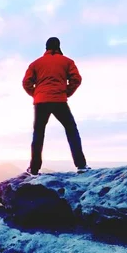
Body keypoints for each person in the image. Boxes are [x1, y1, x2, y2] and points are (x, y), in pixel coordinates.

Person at [22, 37, 91, 176]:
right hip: (59, 100)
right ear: (59, 46)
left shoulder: (36, 64)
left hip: (41, 102)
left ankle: (34, 169)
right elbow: (76, 79)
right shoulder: (67, 61)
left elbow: (26, 82)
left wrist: (36, 94)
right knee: (71, 130)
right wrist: (66, 92)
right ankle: (81, 165)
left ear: (46, 47)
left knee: (38, 133)